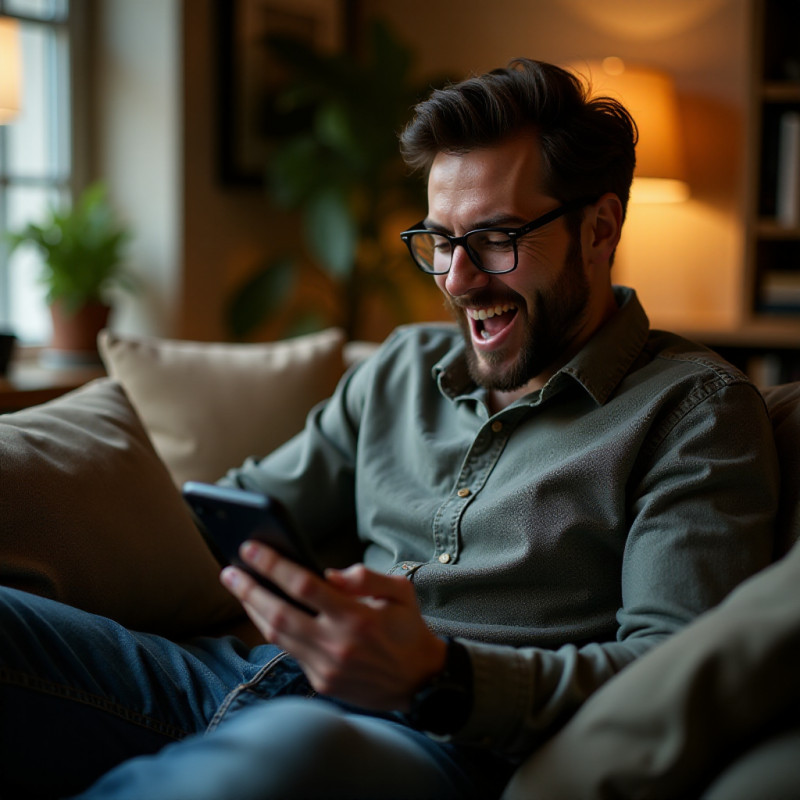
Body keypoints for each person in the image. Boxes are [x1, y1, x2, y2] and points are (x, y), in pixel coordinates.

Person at [0, 58, 779, 800]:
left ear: (601, 228)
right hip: (234, 676)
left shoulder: (696, 414)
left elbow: (668, 673)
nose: (459, 279)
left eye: (497, 239)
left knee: (288, 757)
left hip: (430, 744)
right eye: (441, 240)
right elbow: (233, 513)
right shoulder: (404, 368)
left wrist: (439, 674)